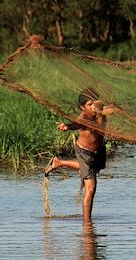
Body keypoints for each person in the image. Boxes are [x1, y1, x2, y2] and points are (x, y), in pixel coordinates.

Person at [44, 88, 118, 220]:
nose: (94, 107)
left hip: (99, 151)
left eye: (95, 103)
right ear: (82, 107)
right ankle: (87, 224)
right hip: (84, 152)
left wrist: (115, 109)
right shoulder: (83, 117)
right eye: (90, 105)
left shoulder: (101, 113)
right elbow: (77, 124)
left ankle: (59, 162)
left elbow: (112, 110)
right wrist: (67, 126)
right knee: (90, 188)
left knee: (91, 170)